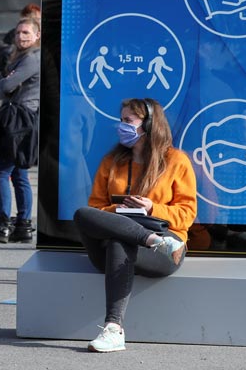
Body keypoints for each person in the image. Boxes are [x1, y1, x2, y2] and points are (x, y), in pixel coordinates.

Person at [73, 98, 197, 353]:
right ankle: (150, 240)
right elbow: (95, 209)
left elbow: (187, 214)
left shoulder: (176, 161)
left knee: (120, 242)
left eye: (128, 121)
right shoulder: (112, 161)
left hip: (167, 248)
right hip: (132, 245)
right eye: (121, 120)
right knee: (82, 214)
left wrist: (152, 208)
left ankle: (113, 329)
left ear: (149, 124)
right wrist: (120, 211)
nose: (122, 126)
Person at [0, 18, 41, 243]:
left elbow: (5, 86)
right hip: (23, 118)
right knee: (19, 173)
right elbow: (3, 88)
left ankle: (3, 224)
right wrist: (5, 84)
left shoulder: (31, 59)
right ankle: (23, 226)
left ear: (37, 36)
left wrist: (5, 82)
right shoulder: (23, 57)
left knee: (1, 172)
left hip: (19, 120)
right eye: (18, 33)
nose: (21, 37)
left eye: (26, 33)